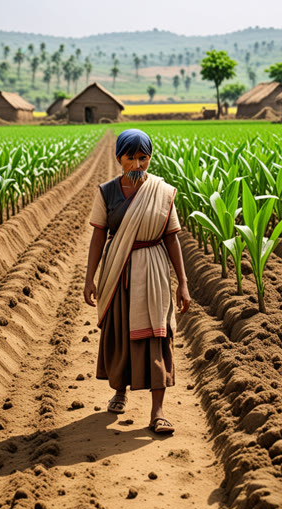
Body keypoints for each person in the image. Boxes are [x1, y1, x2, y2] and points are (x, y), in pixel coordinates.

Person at [83, 128, 191, 434]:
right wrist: (89, 279)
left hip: (154, 271)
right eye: (131, 157)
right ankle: (120, 390)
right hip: (117, 270)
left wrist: (182, 282)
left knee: (157, 336)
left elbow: (172, 240)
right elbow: (98, 238)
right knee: (119, 332)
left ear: (150, 158)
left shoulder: (162, 191)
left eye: (143, 157)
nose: (137, 164)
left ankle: (158, 411)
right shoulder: (106, 192)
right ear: (120, 158)